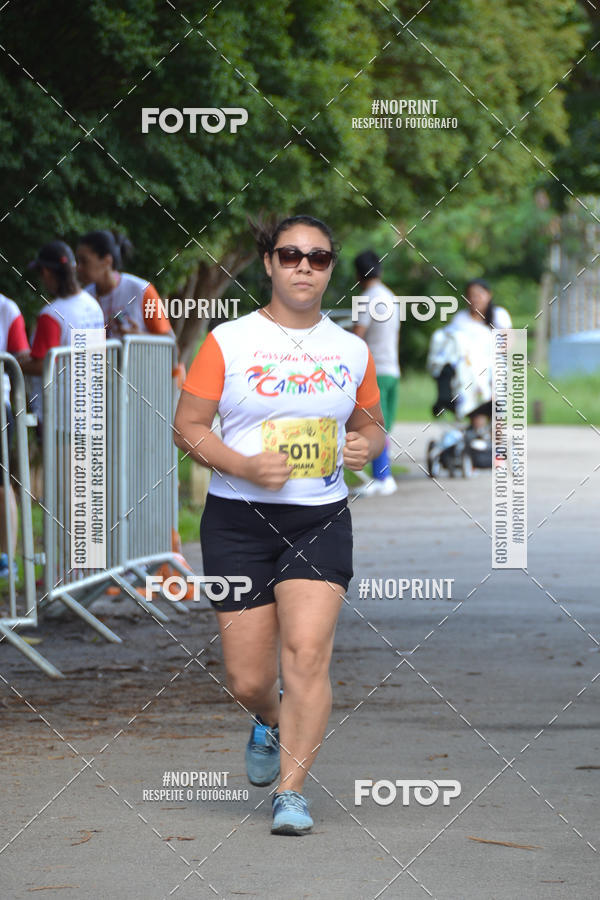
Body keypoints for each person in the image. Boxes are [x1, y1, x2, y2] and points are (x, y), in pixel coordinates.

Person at [173, 214, 385, 836]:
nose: (303, 267)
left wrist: (362, 448)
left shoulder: (351, 349)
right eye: (290, 255)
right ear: (268, 263)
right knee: (247, 677)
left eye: (318, 258)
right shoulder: (228, 342)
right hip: (237, 521)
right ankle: (266, 717)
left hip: (320, 518)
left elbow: (371, 428)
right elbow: (187, 427)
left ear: (328, 271)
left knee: (307, 654)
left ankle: (291, 793)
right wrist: (242, 464)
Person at [20, 240, 104, 409]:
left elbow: (43, 365)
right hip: (90, 408)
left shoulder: (51, 314)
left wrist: (13, 363)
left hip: (57, 414)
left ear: (46, 272)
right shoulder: (93, 304)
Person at [352, 249, 400, 496]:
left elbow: (357, 338)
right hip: (392, 369)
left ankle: (383, 477)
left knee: (372, 425)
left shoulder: (366, 298)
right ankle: (383, 475)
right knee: (383, 425)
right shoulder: (391, 297)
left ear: (358, 275)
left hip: (374, 370)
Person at [75, 230, 173, 340]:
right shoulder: (84, 298)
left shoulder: (141, 290)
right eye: (77, 261)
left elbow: (172, 346)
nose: (78, 268)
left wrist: (139, 338)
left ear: (107, 261)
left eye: (84, 261)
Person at [447, 278, 512, 431]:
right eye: (471, 295)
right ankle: (478, 433)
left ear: (488, 295)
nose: (475, 299)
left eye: (479, 294)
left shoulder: (499, 315)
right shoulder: (460, 320)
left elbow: (508, 342)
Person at [0, 292, 30, 578]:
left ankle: (7, 560)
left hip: (0, 404)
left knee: (2, 484)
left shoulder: (7, 307)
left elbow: (20, 354)